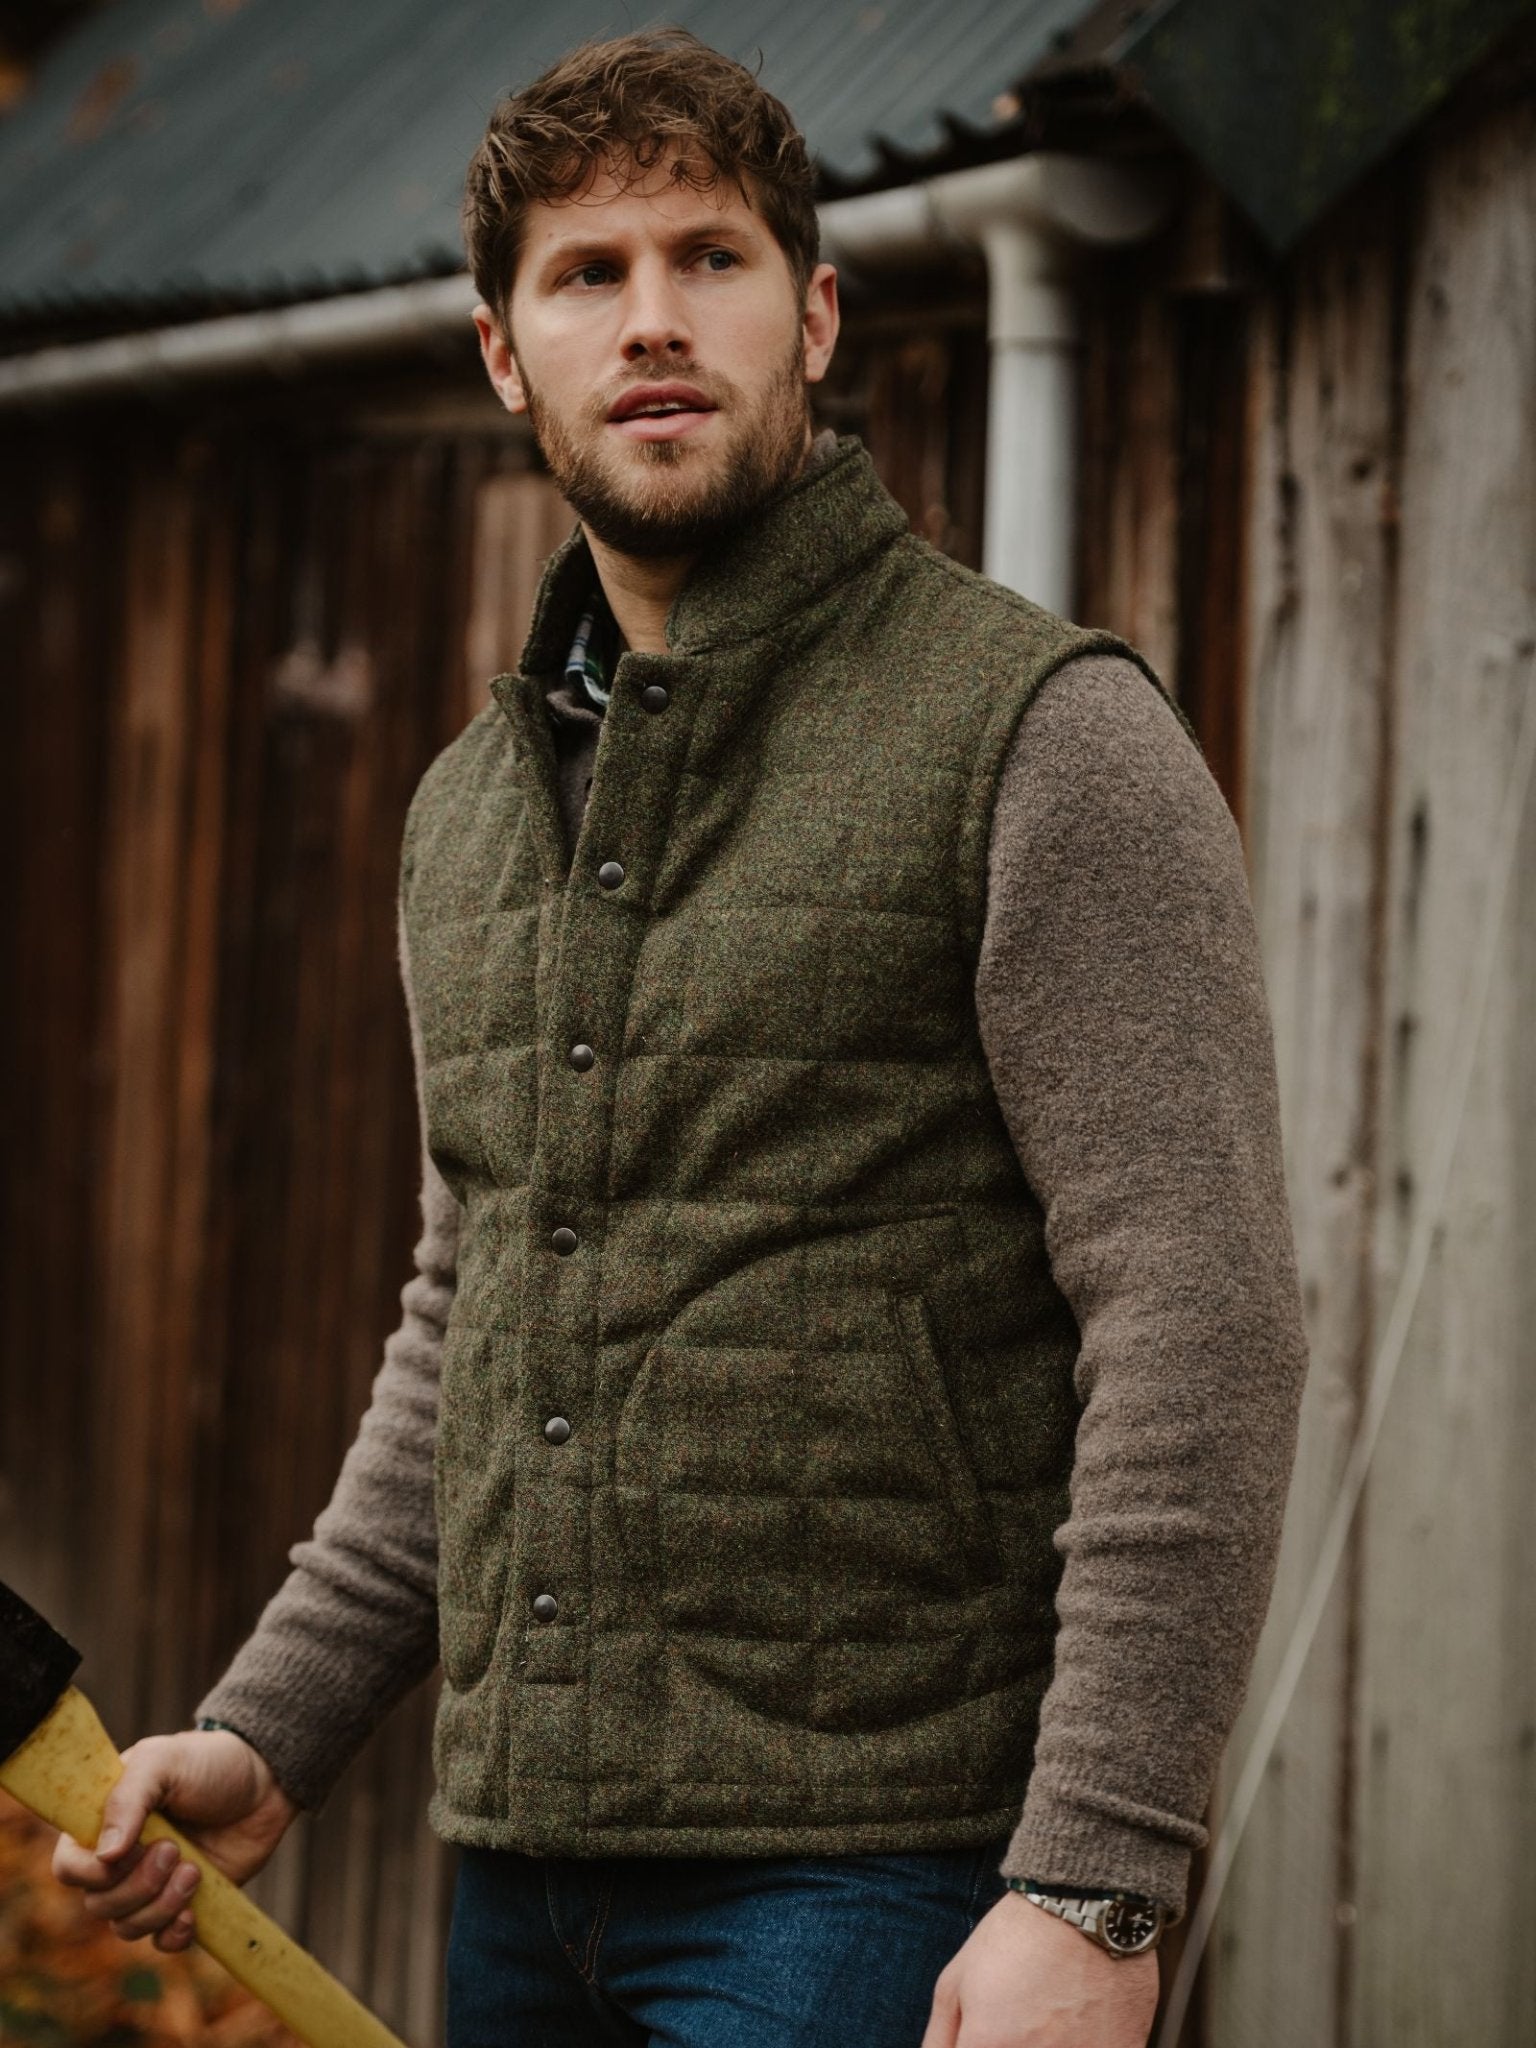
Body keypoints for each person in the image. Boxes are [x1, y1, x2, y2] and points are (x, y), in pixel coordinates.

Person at [53, 30, 1309, 2048]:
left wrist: (1096, 1870)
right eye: (587, 274)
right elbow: (480, 1307)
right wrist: (271, 1726)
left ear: (812, 313)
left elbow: (1203, 1309)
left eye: (709, 258)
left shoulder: (1041, 736)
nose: (653, 321)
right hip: (520, 1877)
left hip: (877, 1875)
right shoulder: (471, 809)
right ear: (499, 353)